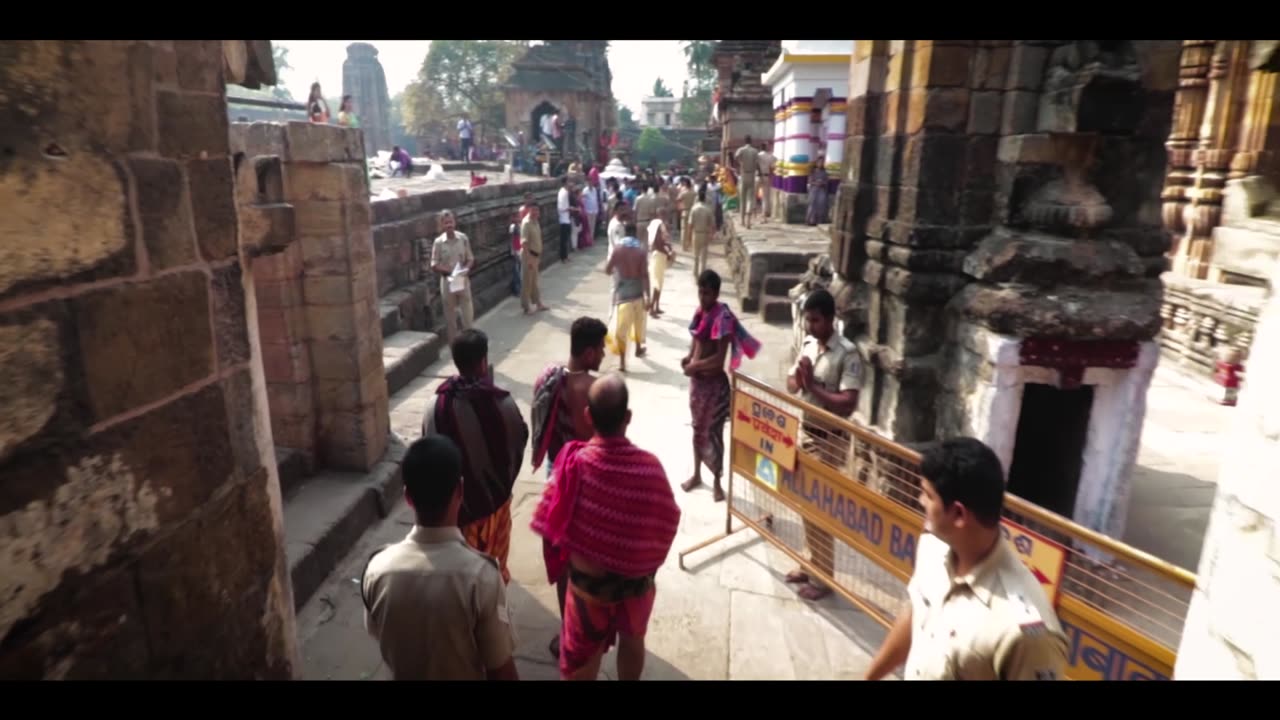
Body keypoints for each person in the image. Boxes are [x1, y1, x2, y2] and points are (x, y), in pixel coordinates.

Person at [865, 438, 1070, 680]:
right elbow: (916, 616)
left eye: (928, 496)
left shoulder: (1025, 633)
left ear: (959, 514)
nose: (920, 502)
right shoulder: (933, 547)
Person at [530, 374, 682, 680]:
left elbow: (548, 522)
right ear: (627, 417)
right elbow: (669, 519)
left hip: (588, 589)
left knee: (582, 657)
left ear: (588, 416)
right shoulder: (649, 466)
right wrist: (638, 559)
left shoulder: (574, 465)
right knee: (633, 640)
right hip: (636, 587)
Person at [362, 435, 519, 680]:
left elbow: (376, 632)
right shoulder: (482, 578)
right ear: (460, 490)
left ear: (408, 497)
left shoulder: (376, 570)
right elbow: (501, 670)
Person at [530, 317, 609, 660]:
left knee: (562, 558)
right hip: (583, 478)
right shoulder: (592, 388)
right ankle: (587, 629)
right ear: (590, 352)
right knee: (585, 559)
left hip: (555, 474)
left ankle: (566, 628)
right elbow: (596, 438)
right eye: (602, 349)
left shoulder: (550, 377)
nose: (605, 354)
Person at [422, 330, 529, 584]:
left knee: (463, 580)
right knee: (493, 574)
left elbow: (430, 454)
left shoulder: (436, 406)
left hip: (456, 514)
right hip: (496, 508)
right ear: (483, 362)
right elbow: (518, 441)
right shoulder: (502, 403)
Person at [784, 288, 863, 601]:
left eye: (815, 320)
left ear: (831, 319)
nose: (810, 326)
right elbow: (791, 385)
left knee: (821, 509)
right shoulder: (807, 344)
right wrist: (801, 381)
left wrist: (814, 388)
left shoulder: (847, 354)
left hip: (829, 441)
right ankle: (809, 560)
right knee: (806, 503)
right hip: (805, 432)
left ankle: (822, 577)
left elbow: (847, 402)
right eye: (808, 320)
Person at [681, 270, 760, 502]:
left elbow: (718, 359)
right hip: (698, 385)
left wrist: (694, 366)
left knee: (714, 434)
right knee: (697, 429)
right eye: (700, 292)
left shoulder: (722, 317)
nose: (702, 297)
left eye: (706, 293)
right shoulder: (700, 313)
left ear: (715, 293)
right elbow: (695, 340)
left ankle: (716, 481)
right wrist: (688, 358)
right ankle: (696, 474)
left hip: (715, 387)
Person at [604, 222, 650, 372]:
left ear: (624, 233)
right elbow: (645, 275)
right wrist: (647, 295)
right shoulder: (641, 251)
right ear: (635, 234)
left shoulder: (618, 249)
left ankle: (623, 362)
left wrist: (617, 271)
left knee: (621, 331)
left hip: (623, 294)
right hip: (637, 293)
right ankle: (637, 348)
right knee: (638, 324)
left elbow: (607, 270)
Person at [425, 210, 475, 343]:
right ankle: (454, 347)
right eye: (446, 223)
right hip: (447, 281)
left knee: (467, 315)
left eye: (451, 222)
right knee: (450, 317)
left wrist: (466, 269)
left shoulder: (463, 238)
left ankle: (470, 344)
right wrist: (448, 270)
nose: (449, 225)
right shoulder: (438, 242)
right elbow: (434, 263)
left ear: (455, 222)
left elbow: (470, 258)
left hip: (462, 279)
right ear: (442, 225)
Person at [520, 204, 550, 314]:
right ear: (529, 210)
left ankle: (538, 303)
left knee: (535, 281)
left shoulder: (536, 221)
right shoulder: (526, 223)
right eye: (533, 210)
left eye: (537, 210)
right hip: (529, 255)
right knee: (527, 282)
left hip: (536, 255)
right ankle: (526, 307)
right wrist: (529, 260)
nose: (536, 212)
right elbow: (524, 243)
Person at [647, 218, 675, 319]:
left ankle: (657, 306)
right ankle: (652, 309)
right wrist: (668, 253)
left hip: (659, 259)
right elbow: (659, 246)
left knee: (660, 283)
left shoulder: (659, 233)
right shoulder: (656, 236)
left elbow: (662, 243)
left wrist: (668, 246)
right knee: (656, 284)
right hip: (658, 259)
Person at [688, 185, 716, 279]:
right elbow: (712, 224)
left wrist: (688, 236)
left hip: (696, 233)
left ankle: (695, 274)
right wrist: (712, 235)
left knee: (695, 255)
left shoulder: (694, 209)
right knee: (703, 257)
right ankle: (701, 275)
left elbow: (690, 224)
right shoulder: (708, 209)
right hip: (705, 233)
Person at [734, 136, 760, 229]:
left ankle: (742, 221)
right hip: (752, 175)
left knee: (742, 198)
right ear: (751, 141)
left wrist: (740, 163)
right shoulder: (755, 151)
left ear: (744, 141)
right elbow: (757, 163)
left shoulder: (741, 150)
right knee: (750, 198)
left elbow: (735, 157)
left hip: (743, 174)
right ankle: (749, 221)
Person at [556, 176, 577, 263]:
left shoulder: (566, 192)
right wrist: (570, 209)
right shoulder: (562, 193)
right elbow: (561, 208)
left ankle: (566, 256)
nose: (570, 183)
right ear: (565, 183)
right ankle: (563, 257)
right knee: (563, 240)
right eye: (568, 182)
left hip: (566, 218)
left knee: (566, 239)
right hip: (563, 219)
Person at [806, 155, 830, 226]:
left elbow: (826, 181)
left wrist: (822, 183)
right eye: (819, 162)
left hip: (821, 190)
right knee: (812, 205)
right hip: (814, 190)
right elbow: (810, 181)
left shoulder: (824, 172)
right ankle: (810, 221)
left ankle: (819, 221)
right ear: (816, 163)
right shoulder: (813, 172)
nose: (821, 164)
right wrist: (816, 183)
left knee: (821, 205)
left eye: (822, 162)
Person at [757, 141, 776, 222]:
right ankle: (765, 214)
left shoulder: (757, 156)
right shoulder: (770, 156)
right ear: (766, 147)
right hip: (766, 176)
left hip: (757, 176)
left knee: (753, 195)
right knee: (765, 196)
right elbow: (773, 167)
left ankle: (753, 213)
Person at [678, 177, 697, 252]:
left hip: (685, 211)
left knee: (684, 230)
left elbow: (678, 199)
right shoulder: (694, 193)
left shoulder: (683, 193)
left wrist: (681, 206)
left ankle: (684, 247)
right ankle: (692, 246)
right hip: (693, 211)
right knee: (692, 230)